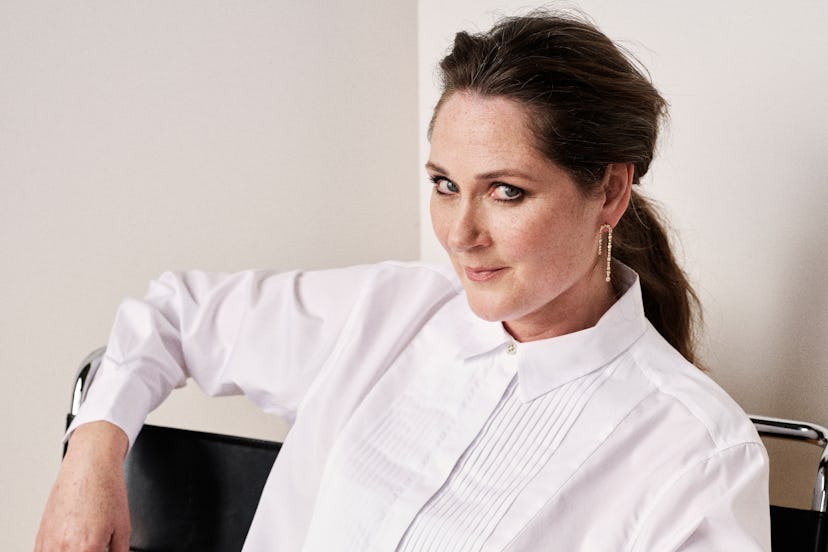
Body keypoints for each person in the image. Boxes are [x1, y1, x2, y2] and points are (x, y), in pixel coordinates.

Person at [36, 11, 770, 552]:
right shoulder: (388, 313)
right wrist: (92, 456)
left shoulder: (694, 450)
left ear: (610, 192)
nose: (459, 232)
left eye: (506, 191)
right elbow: (172, 316)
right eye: (446, 184)